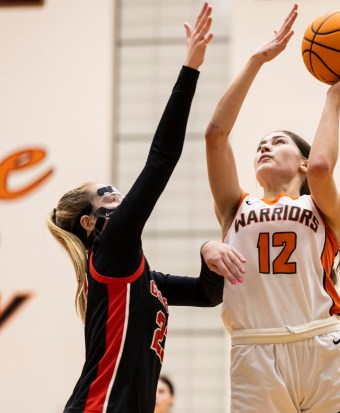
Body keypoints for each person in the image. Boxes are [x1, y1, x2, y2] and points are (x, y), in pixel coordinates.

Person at [47, 3, 245, 412]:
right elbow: (161, 159)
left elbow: (207, 296)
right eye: (107, 195)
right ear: (90, 221)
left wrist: (208, 251)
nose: (119, 196)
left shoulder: (138, 276)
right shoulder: (111, 249)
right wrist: (190, 68)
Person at [203, 4, 340, 412]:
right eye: (260, 144)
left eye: (277, 141)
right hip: (255, 350)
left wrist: (334, 98)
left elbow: (320, 166)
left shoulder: (321, 207)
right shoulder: (235, 207)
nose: (264, 146)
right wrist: (255, 60)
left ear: (299, 160)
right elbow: (215, 135)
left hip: (319, 344)